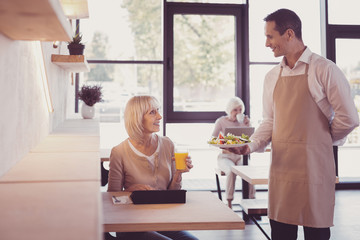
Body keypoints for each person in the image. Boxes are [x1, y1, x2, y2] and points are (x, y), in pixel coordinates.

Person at [228, 9, 359, 240]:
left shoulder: (324, 69)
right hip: (281, 169)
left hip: (314, 168)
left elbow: (349, 117)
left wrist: (323, 138)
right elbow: (270, 121)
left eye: (270, 36)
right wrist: (250, 146)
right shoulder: (271, 77)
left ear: (289, 34)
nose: (267, 43)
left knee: (316, 233)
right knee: (281, 232)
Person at [108, 95, 198, 240]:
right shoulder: (119, 152)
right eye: (152, 112)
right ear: (137, 118)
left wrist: (178, 174)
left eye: (158, 111)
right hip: (131, 224)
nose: (160, 116)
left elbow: (171, 194)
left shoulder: (168, 144)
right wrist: (130, 191)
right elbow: (110, 198)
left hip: (162, 220)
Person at [211, 97, 256, 209]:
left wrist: (248, 125)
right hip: (225, 156)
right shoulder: (221, 121)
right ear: (229, 110)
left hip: (241, 156)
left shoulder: (244, 121)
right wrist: (224, 144)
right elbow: (212, 139)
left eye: (240, 110)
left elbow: (252, 140)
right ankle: (229, 202)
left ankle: (252, 202)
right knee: (231, 171)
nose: (238, 113)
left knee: (248, 171)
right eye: (235, 110)